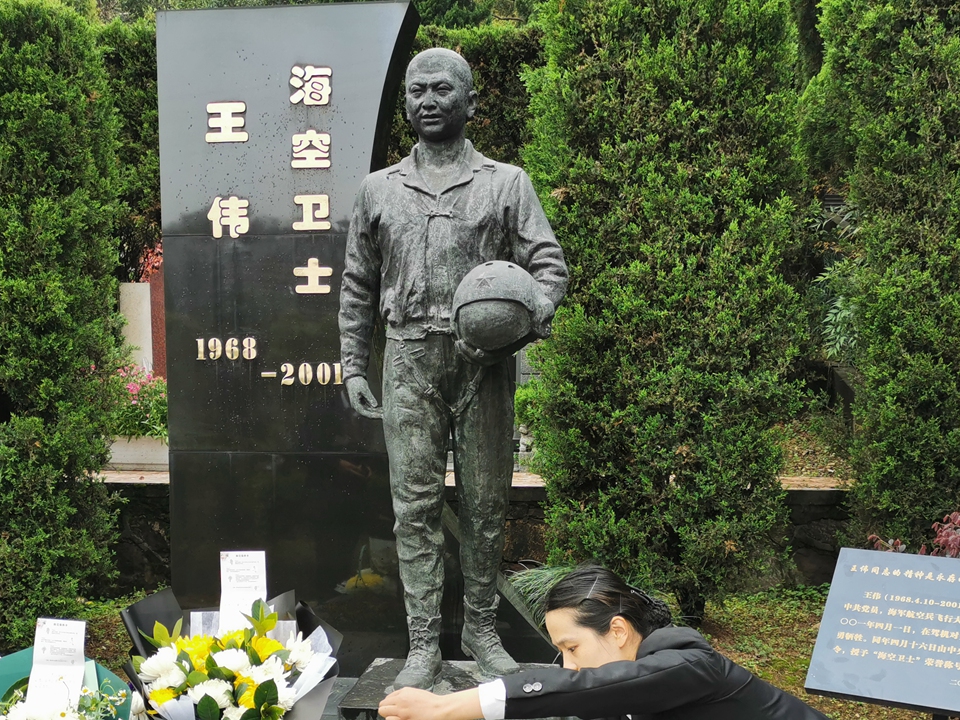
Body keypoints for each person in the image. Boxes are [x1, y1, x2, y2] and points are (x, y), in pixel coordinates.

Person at [338, 48, 568, 690]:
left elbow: (550, 266)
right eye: (417, 92)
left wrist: (525, 321)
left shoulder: (506, 183)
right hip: (409, 359)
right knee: (412, 508)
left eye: (442, 90)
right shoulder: (378, 189)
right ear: (406, 103)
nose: (428, 101)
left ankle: (482, 628)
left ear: (470, 102)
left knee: (488, 505)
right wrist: (355, 363)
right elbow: (357, 283)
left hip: (483, 368)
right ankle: (421, 645)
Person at [378, 566, 830, 720]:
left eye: (572, 648)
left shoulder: (690, 665)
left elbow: (583, 689)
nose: (569, 665)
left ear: (617, 630)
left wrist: (445, 708)